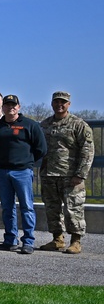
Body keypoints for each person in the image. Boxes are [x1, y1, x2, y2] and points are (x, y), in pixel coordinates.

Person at [0, 94, 47, 254]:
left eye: (13, 105)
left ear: (18, 107)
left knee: (27, 207)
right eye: (7, 105)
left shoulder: (30, 125)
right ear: (3, 107)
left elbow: (41, 148)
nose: (10, 108)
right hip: (2, 171)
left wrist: (26, 161)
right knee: (7, 208)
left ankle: (28, 241)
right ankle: (10, 240)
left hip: (22, 172)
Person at [38, 91, 93, 254]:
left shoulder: (78, 124)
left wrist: (80, 174)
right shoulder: (45, 124)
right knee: (51, 208)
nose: (59, 105)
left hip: (71, 175)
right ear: (52, 103)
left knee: (73, 209)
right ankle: (57, 239)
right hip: (49, 174)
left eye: (63, 102)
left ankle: (76, 241)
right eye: (56, 102)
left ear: (69, 104)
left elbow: (88, 150)